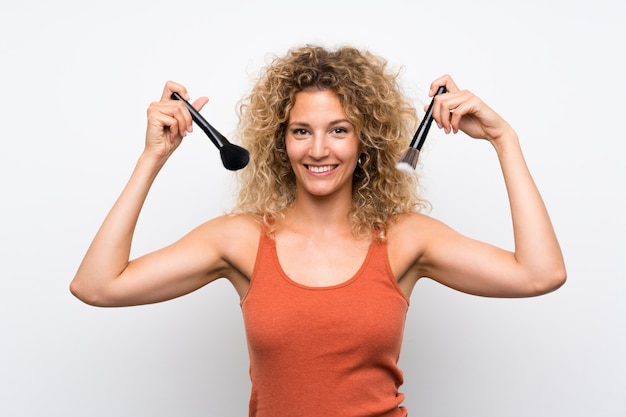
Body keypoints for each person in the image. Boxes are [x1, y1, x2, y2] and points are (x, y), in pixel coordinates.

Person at [70, 45, 566, 417]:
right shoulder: (240, 239)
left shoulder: (406, 239)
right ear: (280, 140)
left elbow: (540, 274)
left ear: (364, 139)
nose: (319, 149)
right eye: (301, 130)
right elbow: (97, 286)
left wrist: (505, 140)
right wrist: (152, 158)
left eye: (339, 129)